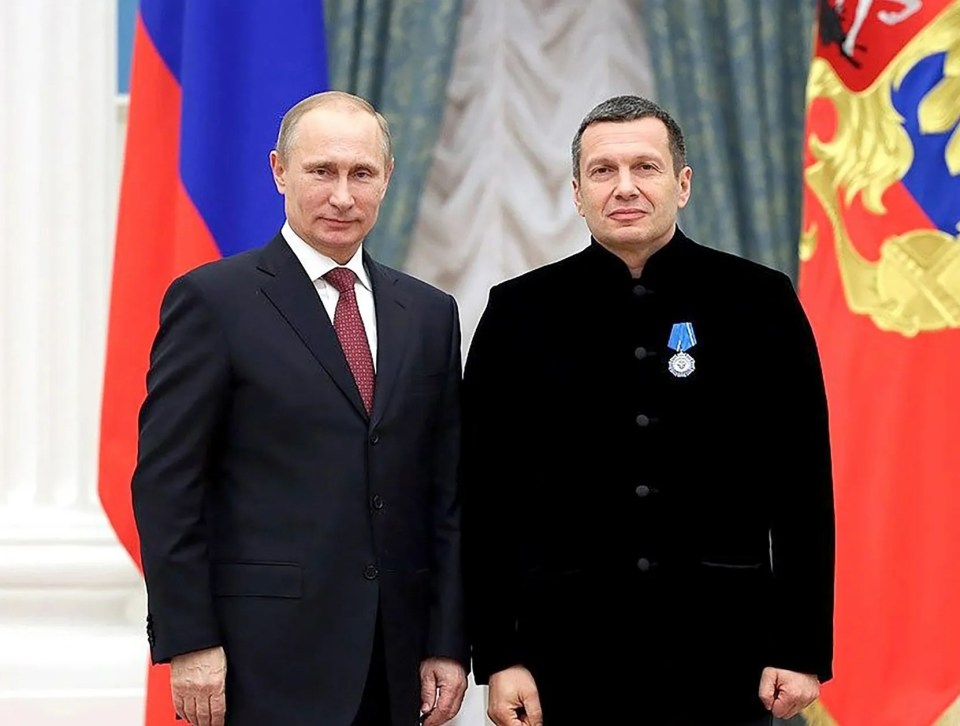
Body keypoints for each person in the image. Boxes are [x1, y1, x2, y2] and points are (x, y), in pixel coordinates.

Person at [462, 95, 835, 725]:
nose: (625, 187)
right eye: (603, 171)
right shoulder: (518, 312)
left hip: (724, 654)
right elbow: (484, 497)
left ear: (682, 183)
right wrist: (499, 655)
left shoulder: (760, 302)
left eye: (646, 167)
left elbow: (802, 487)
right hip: (567, 657)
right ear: (577, 192)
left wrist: (800, 648)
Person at [132, 91, 468, 726]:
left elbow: (443, 491)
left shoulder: (428, 313)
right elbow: (167, 483)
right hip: (261, 660)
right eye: (322, 172)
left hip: (395, 662)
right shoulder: (213, 302)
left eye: (361, 173)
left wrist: (447, 641)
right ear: (280, 171)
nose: (343, 195)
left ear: (387, 178)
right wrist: (190, 639)